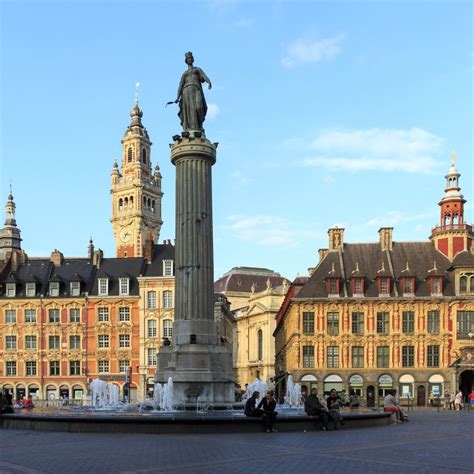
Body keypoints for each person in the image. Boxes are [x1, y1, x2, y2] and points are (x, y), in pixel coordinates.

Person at [174, 52, 212, 132]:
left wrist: (209, 82)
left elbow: (204, 76)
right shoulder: (185, 74)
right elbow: (180, 85)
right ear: (186, 61)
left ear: (193, 59)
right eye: (188, 58)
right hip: (186, 92)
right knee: (189, 111)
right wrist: (177, 97)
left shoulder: (197, 70)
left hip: (196, 89)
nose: (190, 59)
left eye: (191, 58)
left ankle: (200, 126)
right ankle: (190, 129)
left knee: (199, 107)